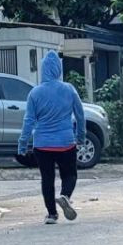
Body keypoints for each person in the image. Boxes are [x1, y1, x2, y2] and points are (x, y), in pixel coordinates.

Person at [17, 50, 85, 224]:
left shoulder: (35, 93)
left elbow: (28, 121)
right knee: (70, 175)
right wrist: (81, 137)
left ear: (43, 69)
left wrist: (22, 144)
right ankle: (65, 196)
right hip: (66, 143)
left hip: (42, 144)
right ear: (58, 69)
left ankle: (52, 215)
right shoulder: (69, 89)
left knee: (47, 179)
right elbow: (80, 115)